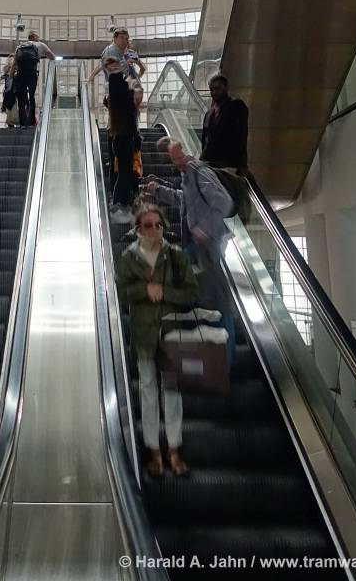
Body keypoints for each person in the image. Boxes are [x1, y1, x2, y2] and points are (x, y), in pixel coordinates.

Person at [116, 204, 198, 477]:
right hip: (143, 336)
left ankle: (174, 449)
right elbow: (120, 292)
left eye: (158, 225)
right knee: (148, 392)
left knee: (173, 394)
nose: (154, 230)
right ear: (138, 229)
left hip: (171, 334)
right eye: (148, 225)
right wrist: (144, 289)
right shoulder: (128, 258)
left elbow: (191, 292)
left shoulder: (175, 256)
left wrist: (165, 292)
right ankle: (154, 451)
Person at [146, 140, 237, 362]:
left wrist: (204, 229)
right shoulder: (187, 174)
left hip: (208, 245)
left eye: (178, 157)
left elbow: (224, 202)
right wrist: (159, 190)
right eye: (173, 159)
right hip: (194, 245)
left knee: (217, 298)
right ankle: (187, 349)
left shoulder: (199, 171)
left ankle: (227, 356)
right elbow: (183, 200)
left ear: (187, 153)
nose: (176, 162)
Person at [107, 65, 138, 224]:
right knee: (125, 173)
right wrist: (131, 88)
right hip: (125, 139)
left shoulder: (114, 99)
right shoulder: (124, 99)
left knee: (123, 173)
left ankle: (119, 204)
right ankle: (119, 204)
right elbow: (132, 111)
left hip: (118, 139)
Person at [201, 74, 249, 174]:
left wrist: (242, 164)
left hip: (228, 163)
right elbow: (205, 140)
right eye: (211, 89)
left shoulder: (236, 106)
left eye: (218, 88)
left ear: (226, 88)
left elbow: (242, 135)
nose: (214, 92)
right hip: (209, 164)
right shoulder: (209, 113)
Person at [14, 31, 55, 127]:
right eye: (37, 36)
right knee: (31, 96)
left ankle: (22, 123)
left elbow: (15, 63)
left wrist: (11, 76)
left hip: (20, 74)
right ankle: (31, 121)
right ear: (35, 37)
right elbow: (52, 56)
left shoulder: (20, 46)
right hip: (31, 73)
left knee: (21, 99)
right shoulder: (40, 45)